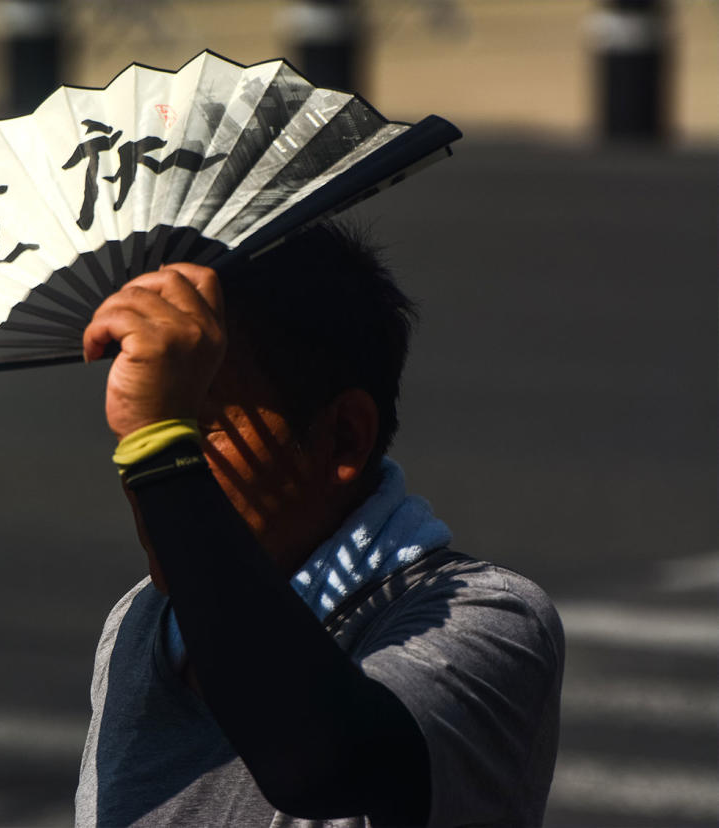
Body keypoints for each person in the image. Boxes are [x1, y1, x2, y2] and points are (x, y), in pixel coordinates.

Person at [73, 223, 565, 828]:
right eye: (137, 435)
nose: (142, 477)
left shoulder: (488, 621)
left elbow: (317, 764)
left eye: (197, 426)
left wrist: (158, 450)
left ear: (343, 437)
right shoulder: (136, 623)